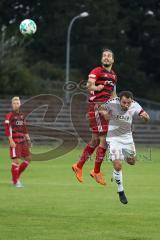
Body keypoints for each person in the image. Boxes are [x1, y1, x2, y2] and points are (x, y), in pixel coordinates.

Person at [72, 48, 117, 185]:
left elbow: (113, 94)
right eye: (104, 56)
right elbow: (89, 84)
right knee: (103, 140)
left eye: (109, 56)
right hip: (97, 107)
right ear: (101, 59)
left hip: (105, 108)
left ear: (113, 60)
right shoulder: (96, 71)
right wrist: (96, 88)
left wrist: (117, 107)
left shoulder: (114, 75)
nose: (106, 58)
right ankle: (96, 171)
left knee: (95, 140)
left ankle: (78, 166)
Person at [99, 91, 150, 204]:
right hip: (113, 138)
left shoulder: (135, 105)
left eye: (128, 103)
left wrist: (145, 118)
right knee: (118, 165)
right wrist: (104, 113)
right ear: (119, 100)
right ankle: (120, 190)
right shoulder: (112, 102)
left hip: (127, 139)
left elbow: (146, 117)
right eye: (124, 102)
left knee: (131, 162)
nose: (126, 105)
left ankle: (115, 174)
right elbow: (100, 108)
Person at [4, 96, 32, 188]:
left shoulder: (22, 115)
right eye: (14, 103)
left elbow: (25, 128)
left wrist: (28, 139)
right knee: (16, 161)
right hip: (15, 141)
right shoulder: (9, 115)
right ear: (12, 105)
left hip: (23, 141)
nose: (16, 104)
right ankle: (16, 182)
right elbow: (7, 129)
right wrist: (10, 140)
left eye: (17, 103)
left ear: (20, 104)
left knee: (28, 159)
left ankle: (16, 177)